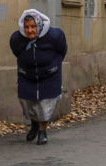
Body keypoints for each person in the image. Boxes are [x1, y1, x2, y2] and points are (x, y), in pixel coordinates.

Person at [9, 9, 67, 145]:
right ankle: (34, 123)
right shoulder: (17, 38)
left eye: (33, 27)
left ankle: (42, 130)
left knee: (45, 104)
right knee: (27, 103)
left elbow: (62, 50)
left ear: (39, 26)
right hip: (27, 75)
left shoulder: (54, 36)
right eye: (27, 27)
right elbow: (16, 52)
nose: (29, 30)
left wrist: (54, 66)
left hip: (49, 75)